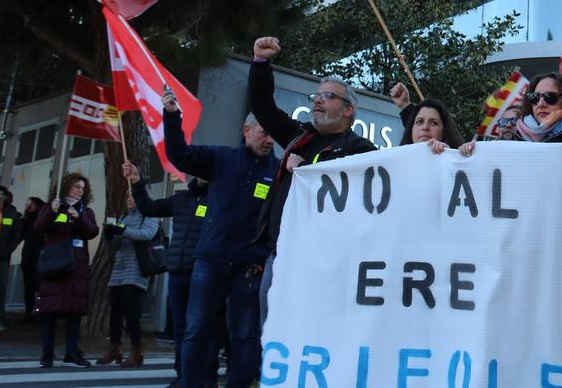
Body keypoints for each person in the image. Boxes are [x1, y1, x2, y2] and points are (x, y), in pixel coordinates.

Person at [459, 70, 562, 314]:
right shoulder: (511, 145)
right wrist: (469, 160)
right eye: (534, 97)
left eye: (550, 97)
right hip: (516, 262)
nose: (540, 103)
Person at [248, 36, 377, 320]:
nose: (318, 100)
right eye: (316, 96)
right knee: (272, 339)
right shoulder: (300, 137)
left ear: (348, 109)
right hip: (280, 255)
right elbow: (263, 108)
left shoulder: (361, 149)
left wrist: (307, 170)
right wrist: (260, 63)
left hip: (324, 261)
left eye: (328, 96)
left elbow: (359, 190)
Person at [163, 88, 277, 388]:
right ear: (247, 130)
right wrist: (172, 117)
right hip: (210, 261)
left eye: (273, 135)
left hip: (250, 266)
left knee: (244, 334)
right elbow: (180, 155)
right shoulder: (220, 158)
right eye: (264, 133)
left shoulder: (280, 172)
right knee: (197, 329)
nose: (269, 140)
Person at [125, 162, 214, 388]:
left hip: (203, 273)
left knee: (202, 329)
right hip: (177, 272)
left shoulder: (220, 200)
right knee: (181, 330)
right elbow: (150, 208)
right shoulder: (182, 199)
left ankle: (206, 378)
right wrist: (137, 183)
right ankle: (183, 376)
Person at [35, 173, 98, 368]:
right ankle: (47, 353)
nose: (80, 190)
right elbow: (39, 228)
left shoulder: (85, 211)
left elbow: (92, 231)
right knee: (49, 310)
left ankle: (72, 352)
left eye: (82, 187)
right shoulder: (52, 206)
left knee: (75, 311)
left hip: (76, 266)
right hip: (55, 263)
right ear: (66, 188)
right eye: (76, 187)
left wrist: (79, 218)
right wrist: (51, 212)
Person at [97, 189, 160, 368]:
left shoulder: (149, 216)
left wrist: (123, 230)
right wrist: (110, 235)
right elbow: (115, 245)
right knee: (115, 310)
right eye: (128, 197)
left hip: (137, 268)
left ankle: (136, 350)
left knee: (131, 311)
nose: (130, 199)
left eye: (133, 196)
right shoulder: (124, 217)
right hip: (119, 268)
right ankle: (114, 348)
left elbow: (146, 234)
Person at [0, 185, 22, 332]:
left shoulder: (12, 214)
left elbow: (16, 236)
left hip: (2, 257)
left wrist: (8, 250)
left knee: (0, 288)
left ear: (5, 196)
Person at [397, 97, 465, 150]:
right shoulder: (396, 161)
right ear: (411, 129)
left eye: (433, 123)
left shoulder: (459, 161)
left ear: (444, 131)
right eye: (419, 122)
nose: (425, 127)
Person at [20, 196, 45, 324]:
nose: (28, 206)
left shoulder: (42, 219)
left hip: (39, 258)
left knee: (39, 287)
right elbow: (20, 234)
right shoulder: (26, 220)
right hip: (27, 258)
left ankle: (39, 312)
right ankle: (29, 313)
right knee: (28, 288)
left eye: (31, 204)